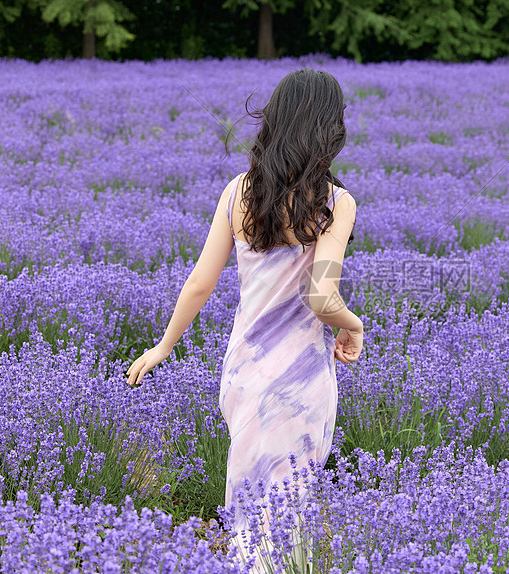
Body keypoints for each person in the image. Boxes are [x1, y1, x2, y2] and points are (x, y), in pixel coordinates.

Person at [125, 68, 363, 573]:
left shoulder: (239, 192)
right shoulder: (334, 204)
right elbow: (322, 296)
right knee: (286, 524)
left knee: (249, 519)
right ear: (329, 130)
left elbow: (199, 283)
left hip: (245, 375)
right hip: (298, 381)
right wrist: (354, 324)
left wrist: (163, 347)